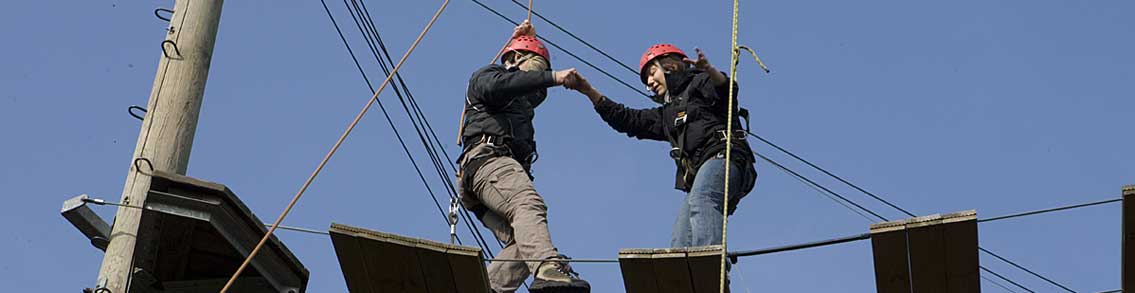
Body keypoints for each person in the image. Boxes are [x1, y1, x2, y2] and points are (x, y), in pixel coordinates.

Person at [565, 43, 757, 255]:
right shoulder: (667, 115)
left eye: (652, 72)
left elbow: (725, 90)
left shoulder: (700, 82)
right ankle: (684, 276)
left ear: (670, 66)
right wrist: (589, 92)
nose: (649, 82)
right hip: (701, 172)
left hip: (725, 157)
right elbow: (628, 120)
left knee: (701, 200)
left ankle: (710, 258)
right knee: (681, 235)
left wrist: (709, 70)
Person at [456, 20, 590, 293]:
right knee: (528, 205)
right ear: (515, 60)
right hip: (489, 163)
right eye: (537, 69)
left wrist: (532, 45)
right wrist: (552, 75)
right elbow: (507, 84)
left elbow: (531, 89)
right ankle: (547, 269)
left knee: (524, 241)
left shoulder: (520, 102)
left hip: (483, 177)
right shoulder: (486, 78)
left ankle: (490, 288)